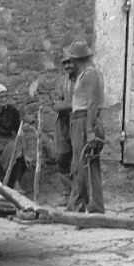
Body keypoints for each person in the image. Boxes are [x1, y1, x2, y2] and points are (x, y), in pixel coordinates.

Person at [64, 40, 105, 214]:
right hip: (79, 120)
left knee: (84, 166)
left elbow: (92, 104)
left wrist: (89, 131)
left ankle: (92, 207)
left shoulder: (89, 75)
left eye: (71, 60)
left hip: (83, 121)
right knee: (80, 164)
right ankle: (79, 205)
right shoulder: (86, 74)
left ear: (77, 59)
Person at [53, 54, 77, 206]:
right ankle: (66, 193)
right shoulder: (62, 82)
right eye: (65, 63)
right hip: (63, 124)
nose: (68, 66)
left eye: (71, 62)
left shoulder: (83, 80)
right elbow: (56, 105)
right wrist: (73, 104)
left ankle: (78, 195)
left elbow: (88, 103)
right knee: (62, 157)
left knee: (79, 159)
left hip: (79, 123)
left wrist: (66, 104)